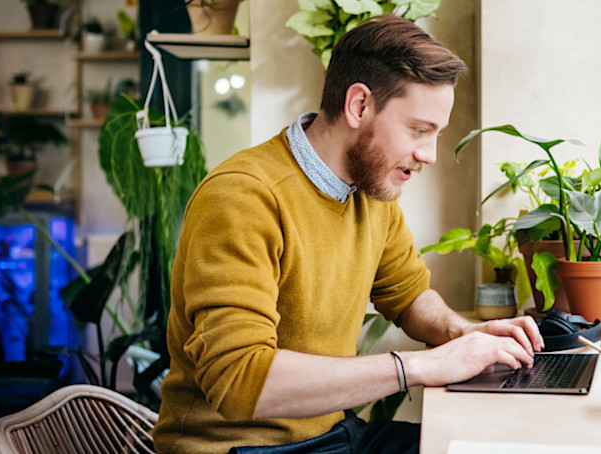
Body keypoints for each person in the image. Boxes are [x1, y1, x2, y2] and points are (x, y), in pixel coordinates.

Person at [152, 15, 544, 454]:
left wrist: (461, 334)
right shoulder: (243, 196)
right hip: (241, 448)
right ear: (359, 105)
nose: (429, 155)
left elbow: (409, 295)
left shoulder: (372, 191)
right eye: (419, 130)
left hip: (332, 436)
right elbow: (241, 380)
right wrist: (420, 366)